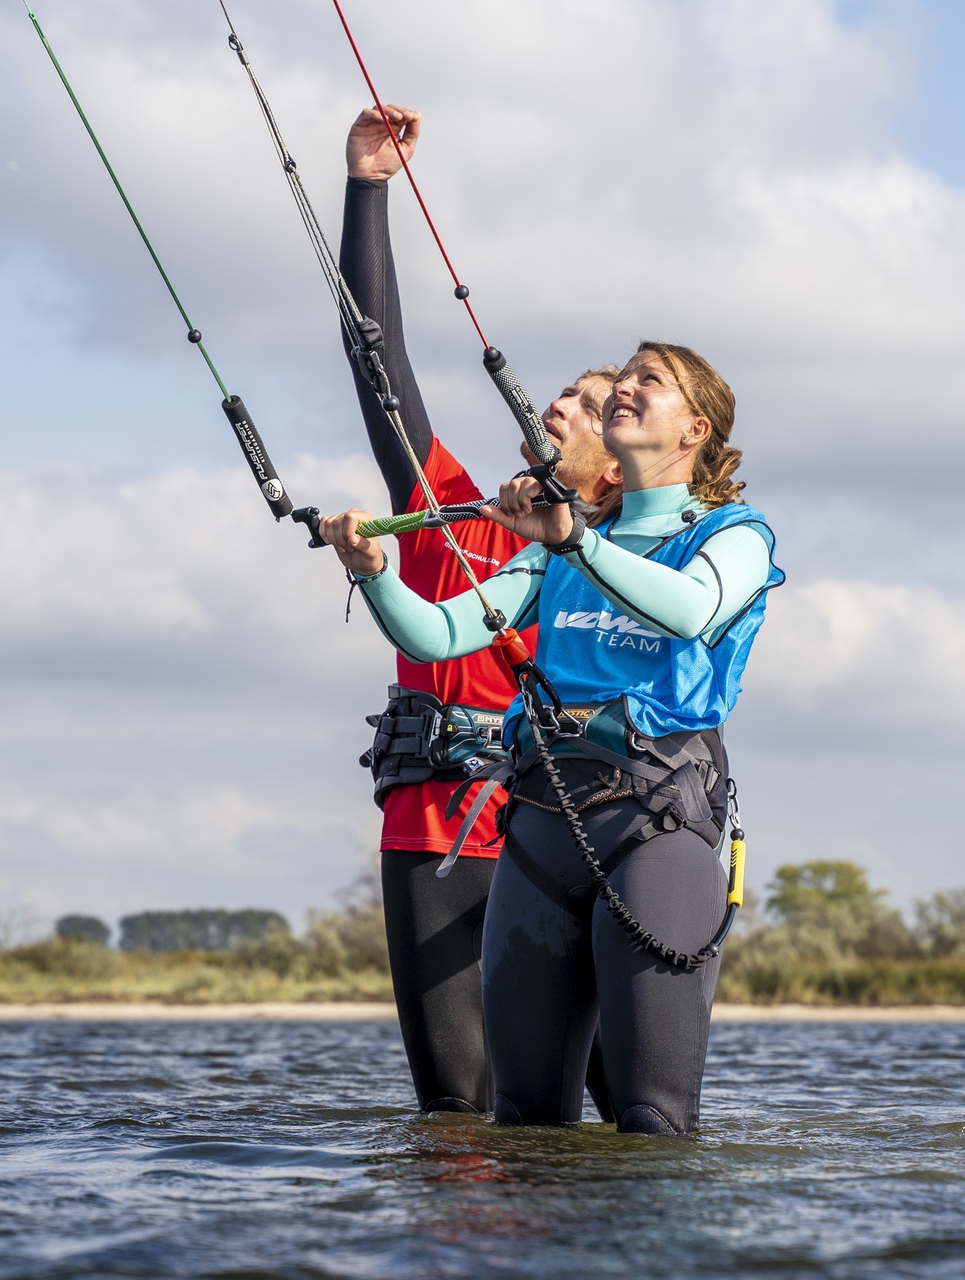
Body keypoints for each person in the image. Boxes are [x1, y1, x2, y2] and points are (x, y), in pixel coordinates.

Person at [320, 341, 783, 1133]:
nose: (625, 388)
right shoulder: (558, 549)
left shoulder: (737, 534)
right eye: (624, 377)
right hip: (541, 829)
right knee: (526, 1124)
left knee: (649, 1118)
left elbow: (692, 609)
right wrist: (371, 570)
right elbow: (436, 635)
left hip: (655, 826)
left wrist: (574, 540)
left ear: (694, 429)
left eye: (650, 380)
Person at [339, 105, 622, 1117]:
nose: (561, 405)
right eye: (566, 393)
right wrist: (369, 188)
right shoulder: (449, 505)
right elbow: (378, 364)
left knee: (633, 1122)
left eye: (593, 405)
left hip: (573, 829)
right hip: (436, 823)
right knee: (460, 1121)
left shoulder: (633, 559)